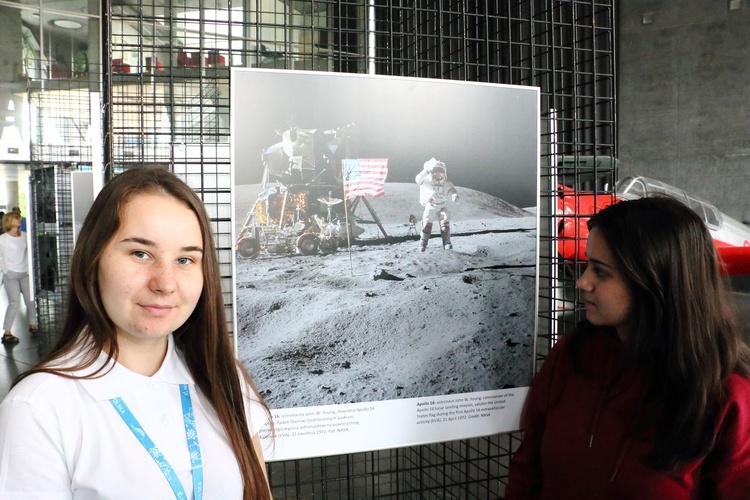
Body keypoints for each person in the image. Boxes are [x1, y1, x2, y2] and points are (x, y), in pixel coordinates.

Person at [0, 169, 273, 499]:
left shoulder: (222, 374)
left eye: (185, 259)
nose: (165, 282)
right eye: (140, 253)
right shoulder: (39, 408)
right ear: (93, 258)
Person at [505, 196, 750, 499]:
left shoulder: (728, 396)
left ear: (655, 280)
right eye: (586, 265)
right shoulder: (571, 355)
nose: (583, 282)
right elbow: (528, 468)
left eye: (601, 271)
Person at [0, 211, 37, 344]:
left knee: (30, 301)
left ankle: (33, 325)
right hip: (11, 275)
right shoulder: (3, 238)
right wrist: (6, 270)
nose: (19, 220)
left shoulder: (25, 236)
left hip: (24, 273)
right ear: (9, 221)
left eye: (19, 218)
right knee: (14, 303)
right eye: (16, 218)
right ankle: (7, 332)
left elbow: (30, 252)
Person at [415, 157, 458, 251]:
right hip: (431, 206)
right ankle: (423, 243)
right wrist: (426, 171)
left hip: (442, 206)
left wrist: (454, 195)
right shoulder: (427, 182)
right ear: (432, 173)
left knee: (445, 223)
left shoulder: (446, 183)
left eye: (440, 172)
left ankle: (447, 242)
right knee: (426, 224)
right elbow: (418, 179)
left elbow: (452, 189)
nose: (438, 175)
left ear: (444, 173)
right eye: (435, 172)